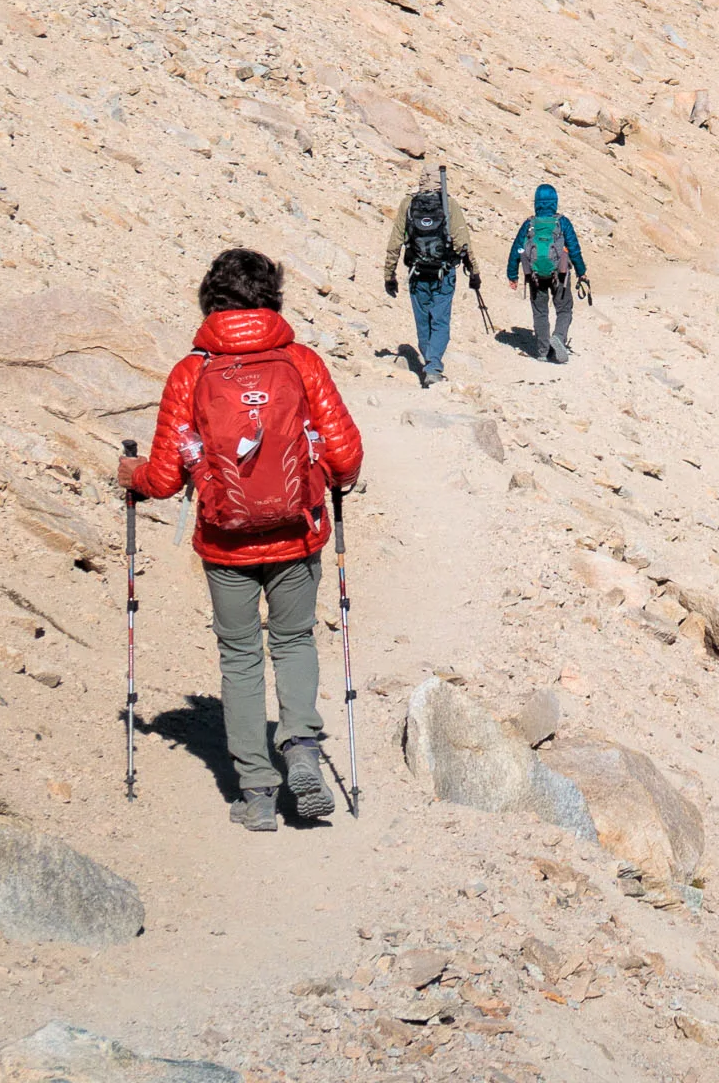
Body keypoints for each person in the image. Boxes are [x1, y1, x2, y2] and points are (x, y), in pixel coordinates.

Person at [122, 249, 364, 832]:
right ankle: (302, 746)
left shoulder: (191, 372)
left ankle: (256, 791)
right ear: (273, 298)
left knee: (239, 657)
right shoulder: (300, 363)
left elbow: (161, 478)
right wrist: (325, 479)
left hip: (225, 542)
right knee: (294, 641)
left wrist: (126, 475)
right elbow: (346, 455)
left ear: (211, 299)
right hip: (295, 535)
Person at [381, 162, 477, 385]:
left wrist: (389, 274)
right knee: (440, 321)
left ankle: (428, 363)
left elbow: (395, 241)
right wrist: (474, 271)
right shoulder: (448, 205)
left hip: (417, 273)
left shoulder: (408, 204)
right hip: (443, 273)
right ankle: (433, 367)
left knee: (423, 322)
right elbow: (463, 240)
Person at [506, 182, 591, 364]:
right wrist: (581, 272)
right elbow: (574, 249)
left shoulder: (529, 224)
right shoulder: (562, 223)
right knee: (564, 309)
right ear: (555, 201)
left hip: (535, 275)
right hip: (559, 274)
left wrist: (512, 275)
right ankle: (559, 338)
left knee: (540, 312)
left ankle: (543, 351)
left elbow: (517, 250)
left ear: (536, 201)